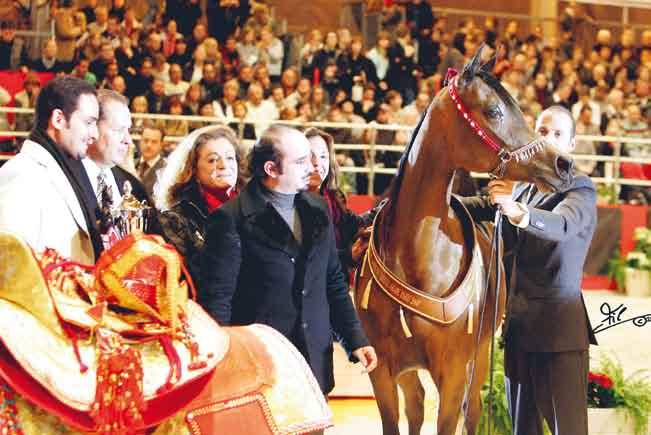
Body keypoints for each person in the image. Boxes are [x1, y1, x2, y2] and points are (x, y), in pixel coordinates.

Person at [200, 125, 377, 394]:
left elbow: (332, 282)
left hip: (313, 364)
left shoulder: (319, 209)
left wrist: (355, 339)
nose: (313, 165)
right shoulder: (229, 219)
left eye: (312, 157)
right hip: (259, 367)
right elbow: (218, 301)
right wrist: (222, 364)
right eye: (301, 161)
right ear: (272, 169)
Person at [462, 105, 598, 435]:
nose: (548, 139)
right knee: (523, 429)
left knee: (569, 429)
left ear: (572, 144)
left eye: (557, 134)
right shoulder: (522, 186)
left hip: (559, 334)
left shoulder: (580, 188)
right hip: (519, 328)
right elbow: (481, 208)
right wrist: (439, 202)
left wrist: (517, 211)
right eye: (541, 131)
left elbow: (562, 224)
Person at [0, 76, 100, 263]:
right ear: (59, 119)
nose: (95, 134)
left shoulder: (68, 167)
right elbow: (12, 270)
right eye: (88, 123)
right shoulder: (21, 174)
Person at [156, 125, 242, 285]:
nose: (224, 165)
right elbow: (190, 278)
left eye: (230, 158)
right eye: (213, 160)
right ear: (193, 169)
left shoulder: (255, 210)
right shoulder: (174, 219)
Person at [305, 127, 375, 273]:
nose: (317, 163)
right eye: (310, 155)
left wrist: (386, 207)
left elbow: (355, 224)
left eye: (323, 156)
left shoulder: (333, 196)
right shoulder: (289, 201)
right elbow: (308, 257)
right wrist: (349, 255)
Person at [82, 89, 150, 212]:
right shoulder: (66, 178)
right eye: (119, 130)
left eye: (128, 130)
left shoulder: (131, 184)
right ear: (92, 127)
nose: (128, 140)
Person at [136, 123, 167, 198]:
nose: (149, 145)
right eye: (146, 140)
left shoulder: (167, 170)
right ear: (140, 142)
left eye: (154, 142)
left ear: (161, 145)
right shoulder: (130, 165)